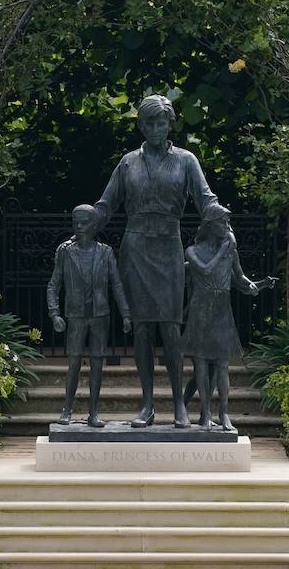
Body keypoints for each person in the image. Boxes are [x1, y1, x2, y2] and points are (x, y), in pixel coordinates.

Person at [93, 94, 219, 428]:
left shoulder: (186, 160)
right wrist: (89, 221)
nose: (155, 129)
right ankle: (147, 403)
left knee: (171, 328)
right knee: (143, 329)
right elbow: (107, 203)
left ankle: (179, 403)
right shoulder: (128, 162)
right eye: (148, 123)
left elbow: (206, 200)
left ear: (170, 124)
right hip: (135, 249)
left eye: (160, 122)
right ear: (141, 125)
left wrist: (218, 215)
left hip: (168, 248)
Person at [181, 204, 276, 431]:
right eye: (222, 222)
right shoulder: (193, 251)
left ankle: (224, 413)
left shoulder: (229, 250)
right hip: (201, 308)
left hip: (222, 309)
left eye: (227, 222)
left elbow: (240, 279)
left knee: (223, 364)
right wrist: (224, 250)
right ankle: (206, 414)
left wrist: (259, 284)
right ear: (210, 225)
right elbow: (205, 270)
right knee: (202, 364)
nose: (227, 226)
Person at [47, 204, 131, 427]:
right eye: (77, 223)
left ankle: (93, 412)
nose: (80, 226)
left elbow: (117, 285)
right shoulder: (65, 251)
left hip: (100, 315)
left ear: (94, 225)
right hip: (75, 316)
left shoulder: (105, 252)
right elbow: (54, 285)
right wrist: (54, 313)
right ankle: (67, 408)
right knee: (73, 363)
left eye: (85, 222)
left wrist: (126, 314)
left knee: (97, 364)